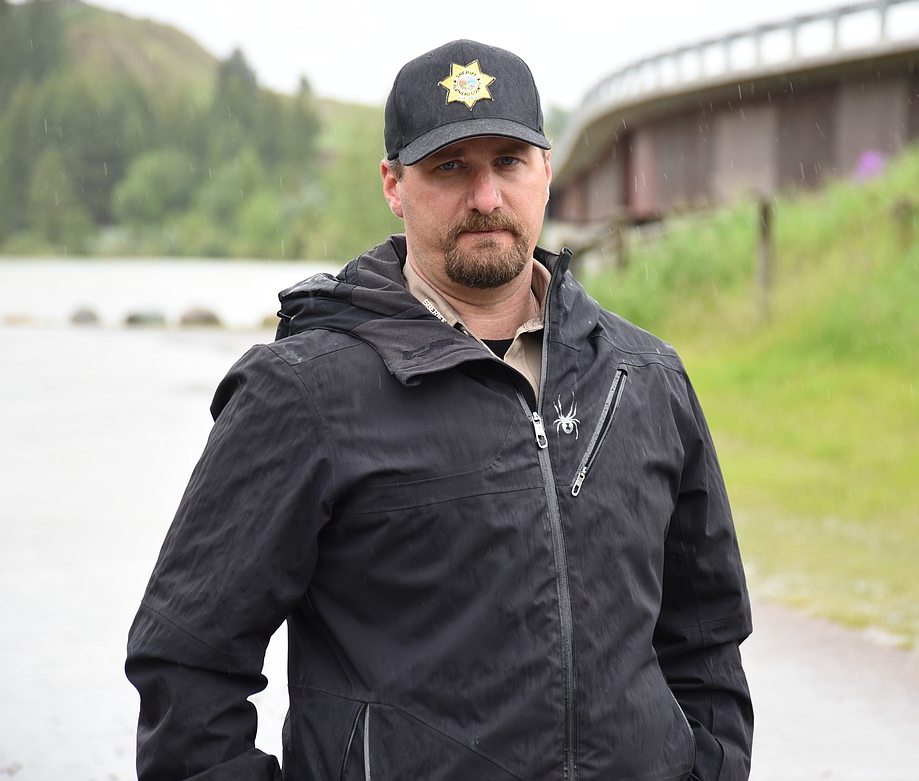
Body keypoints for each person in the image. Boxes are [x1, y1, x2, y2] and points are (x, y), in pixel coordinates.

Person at [126, 39, 754, 781]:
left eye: (509, 162)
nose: (486, 196)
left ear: (546, 171)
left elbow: (705, 639)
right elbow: (189, 660)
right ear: (393, 183)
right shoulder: (304, 392)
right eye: (451, 166)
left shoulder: (643, 377)